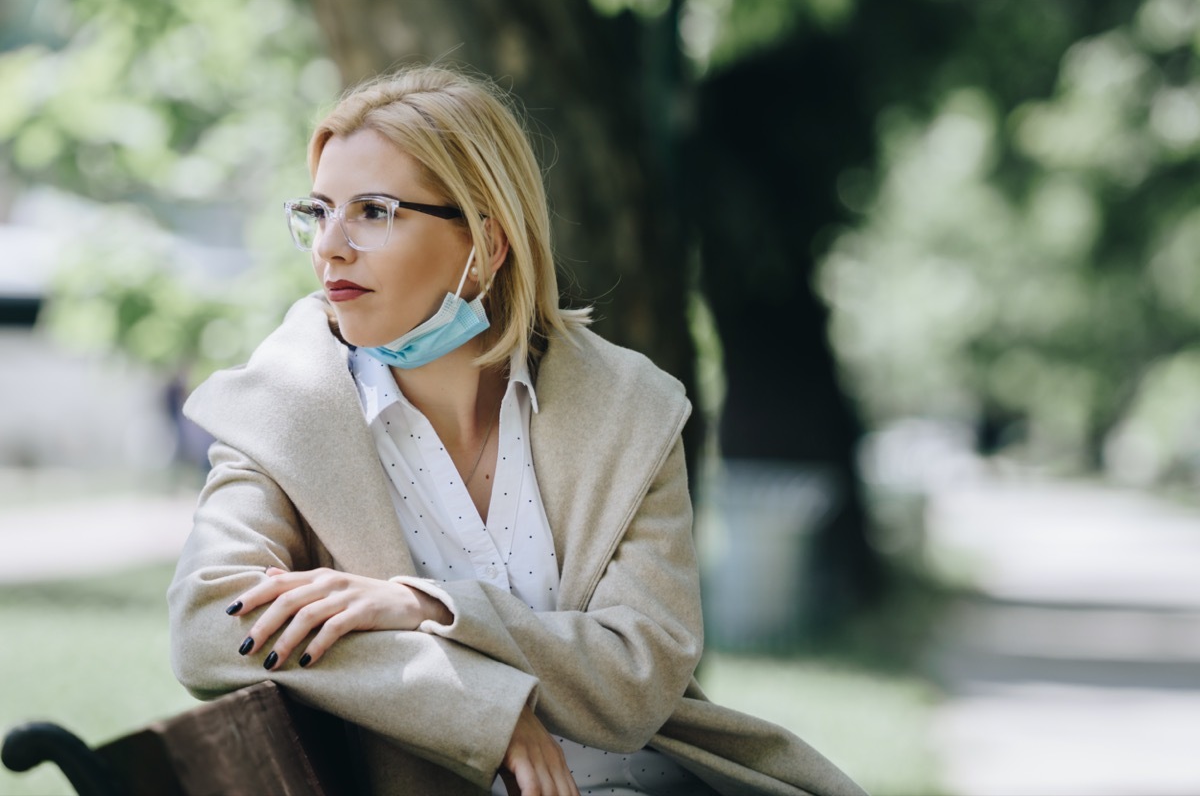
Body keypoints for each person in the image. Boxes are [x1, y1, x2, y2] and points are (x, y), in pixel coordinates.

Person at [168, 64, 867, 796]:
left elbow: (639, 672)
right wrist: (480, 706)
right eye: (319, 211)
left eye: (373, 212)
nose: (330, 247)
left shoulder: (628, 408)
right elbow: (212, 625)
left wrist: (430, 607)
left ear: (486, 244)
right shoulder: (282, 407)